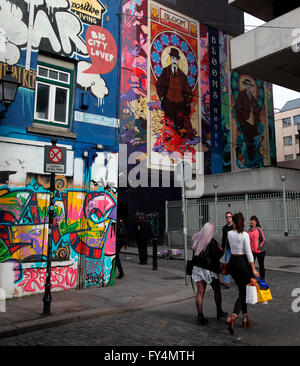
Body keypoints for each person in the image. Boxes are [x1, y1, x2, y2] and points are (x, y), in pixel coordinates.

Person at [226, 212, 259, 335]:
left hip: (232, 263)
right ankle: (233, 316)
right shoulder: (244, 235)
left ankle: (245, 318)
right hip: (241, 263)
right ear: (242, 222)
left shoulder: (229, 233)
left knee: (241, 290)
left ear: (233, 222)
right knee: (243, 294)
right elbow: (249, 253)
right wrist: (254, 269)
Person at [191, 222, 227, 325]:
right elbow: (215, 257)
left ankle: (200, 316)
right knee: (217, 290)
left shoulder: (197, 238)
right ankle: (219, 311)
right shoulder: (212, 242)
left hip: (198, 268)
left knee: (200, 292)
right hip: (209, 270)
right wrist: (221, 251)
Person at [156, 47, 193, 133]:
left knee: (180, 118)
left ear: (179, 60)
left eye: (176, 59)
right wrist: (162, 98)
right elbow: (159, 84)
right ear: (170, 59)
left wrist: (187, 102)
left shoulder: (183, 76)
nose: (174, 61)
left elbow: (188, 91)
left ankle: (181, 130)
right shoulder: (166, 72)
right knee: (169, 119)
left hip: (180, 103)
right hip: (168, 101)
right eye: (173, 58)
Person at [235, 78, 260, 160]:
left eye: (250, 85)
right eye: (247, 84)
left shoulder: (253, 98)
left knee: (254, 141)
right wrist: (242, 121)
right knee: (247, 141)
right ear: (245, 85)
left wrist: (257, 122)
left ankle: (253, 157)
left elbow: (256, 111)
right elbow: (238, 108)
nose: (248, 86)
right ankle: (248, 157)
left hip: (253, 123)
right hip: (246, 121)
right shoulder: (241, 94)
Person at [221, 211, 233, 288]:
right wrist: (222, 248)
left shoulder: (235, 226)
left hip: (236, 249)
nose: (228, 218)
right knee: (226, 264)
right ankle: (226, 282)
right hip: (228, 249)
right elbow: (223, 239)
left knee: (238, 264)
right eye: (227, 217)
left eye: (230, 216)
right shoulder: (224, 228)